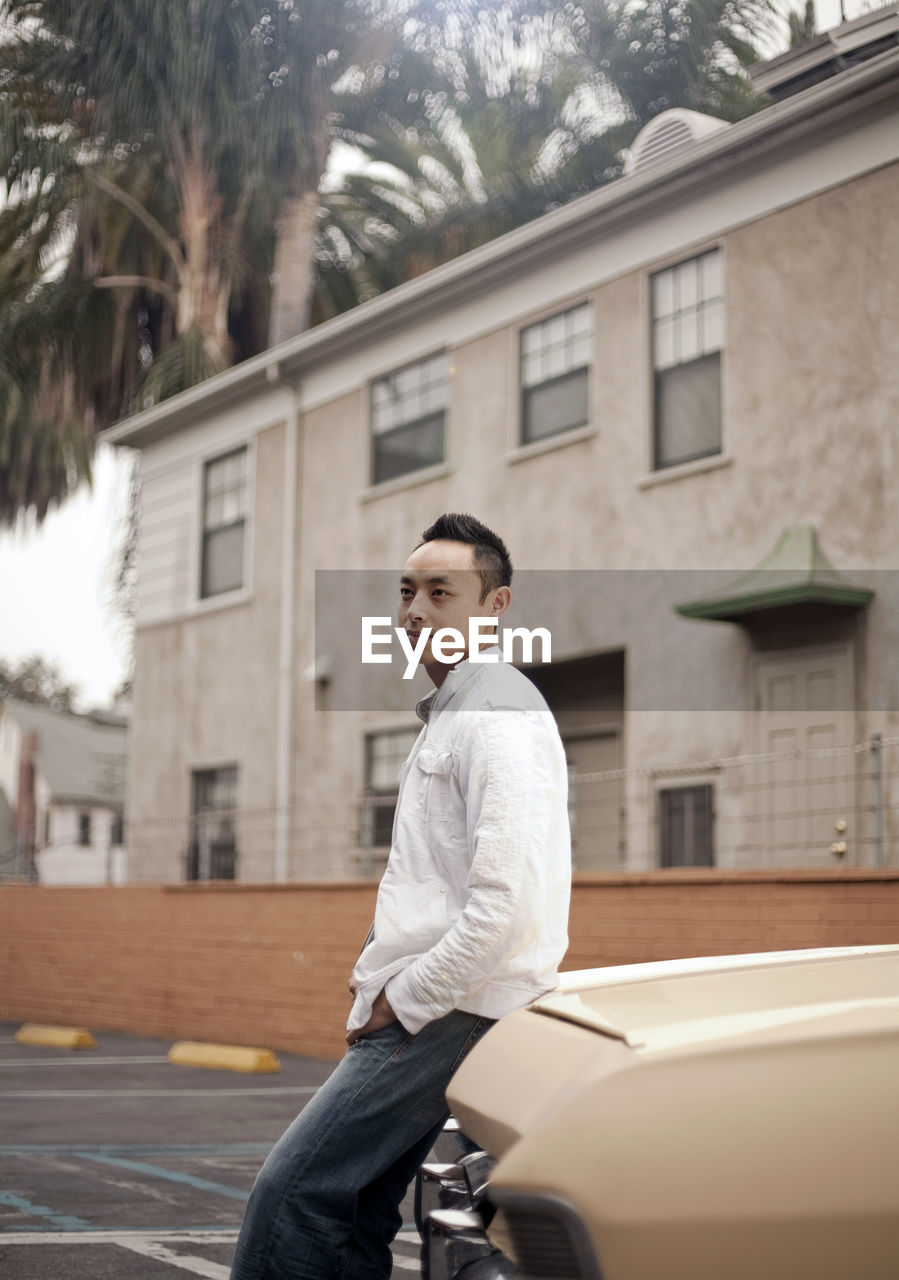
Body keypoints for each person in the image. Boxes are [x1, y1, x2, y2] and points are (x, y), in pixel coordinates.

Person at [230, 513, 571, 1280]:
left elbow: (505, 901)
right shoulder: (456, 711)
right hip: (437, 1003)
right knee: (353, 1208)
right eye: (407, 592)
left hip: (448, 1010)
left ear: (495, 606)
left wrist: (404, 997)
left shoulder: (494, 713)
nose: (415, 610)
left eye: (441, 592)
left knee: (293, 1195)